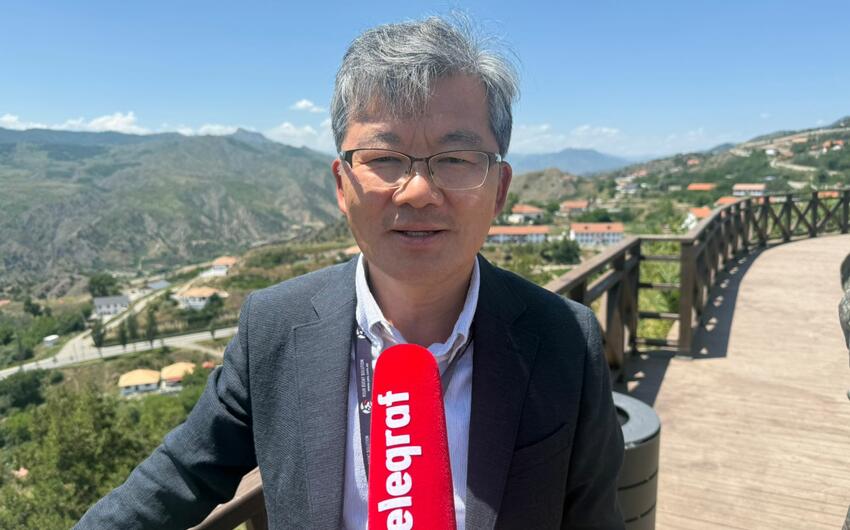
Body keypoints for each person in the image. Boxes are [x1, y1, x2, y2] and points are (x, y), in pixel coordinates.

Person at [76, 16, 624, 529]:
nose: (417, 192)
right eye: (384, 158)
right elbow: (178, 478)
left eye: (456, 160)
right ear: (342, 185)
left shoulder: (564, 340)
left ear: (499, 189)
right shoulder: (274, 327)